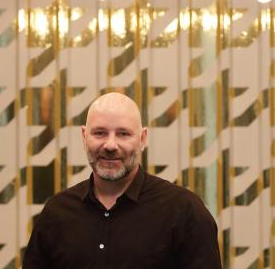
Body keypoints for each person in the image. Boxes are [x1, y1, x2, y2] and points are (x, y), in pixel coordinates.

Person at [23, 92, 222, 269]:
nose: (110, 145)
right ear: (84, 137)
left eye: (123, 134)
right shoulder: (55, 214)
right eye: (99, 133)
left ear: (142, 139)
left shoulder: (185, 212)